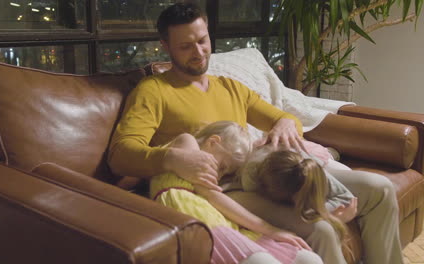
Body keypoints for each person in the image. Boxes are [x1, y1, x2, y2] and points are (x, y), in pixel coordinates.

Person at [107, 3, 403, 264]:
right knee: (321, 228)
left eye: (202, 40)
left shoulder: (230, 87)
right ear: (166, 46)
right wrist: (172, 159)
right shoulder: (154, 91)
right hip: (226, 190)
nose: (198, 52)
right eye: (185, 46)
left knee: (379, 189)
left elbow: (285, 118)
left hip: (263, 171)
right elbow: (121, 154)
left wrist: (286, 123)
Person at [150, 120, 323, 264]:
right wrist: (271, 230)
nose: (219, 176)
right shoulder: (187, 142)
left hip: (220, 221)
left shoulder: (204, 181)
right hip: (201, 223)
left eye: (226, 173)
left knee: (309, 259)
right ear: (212, 142)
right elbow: (212, 194)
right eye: (223, 166)